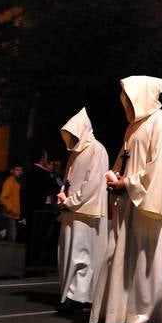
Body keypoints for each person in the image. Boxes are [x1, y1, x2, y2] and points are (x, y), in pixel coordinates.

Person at [87, 76, 162, 323]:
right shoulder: (133, 128)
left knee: (145, 264)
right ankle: (114, 316)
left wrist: (126, 182)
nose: (125, 103)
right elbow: (123, 161)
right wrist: (116, 179)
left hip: (149, 207)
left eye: (129, 98)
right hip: (130, 204)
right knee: (117, 259)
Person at [56, 108, 109, 311]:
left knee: (83, 254)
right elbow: (69, 179)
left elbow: (92, 184)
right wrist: (63, 195)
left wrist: (70, 201)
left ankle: (79, 296)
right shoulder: (75, 153)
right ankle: (71, 292)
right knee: (69, 253)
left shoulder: (97, 150)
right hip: (72, 210)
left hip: (86, 212)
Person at [0, 164, 23, 243]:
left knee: (12, 238)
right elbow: (3, 197)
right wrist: (10, 208)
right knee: (12, 239)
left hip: (14, 215)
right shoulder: (10, 181)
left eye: (20, 170)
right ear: (11, 171)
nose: (19, 172)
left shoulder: (16, 182)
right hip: (9, 215)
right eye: (17, 169)